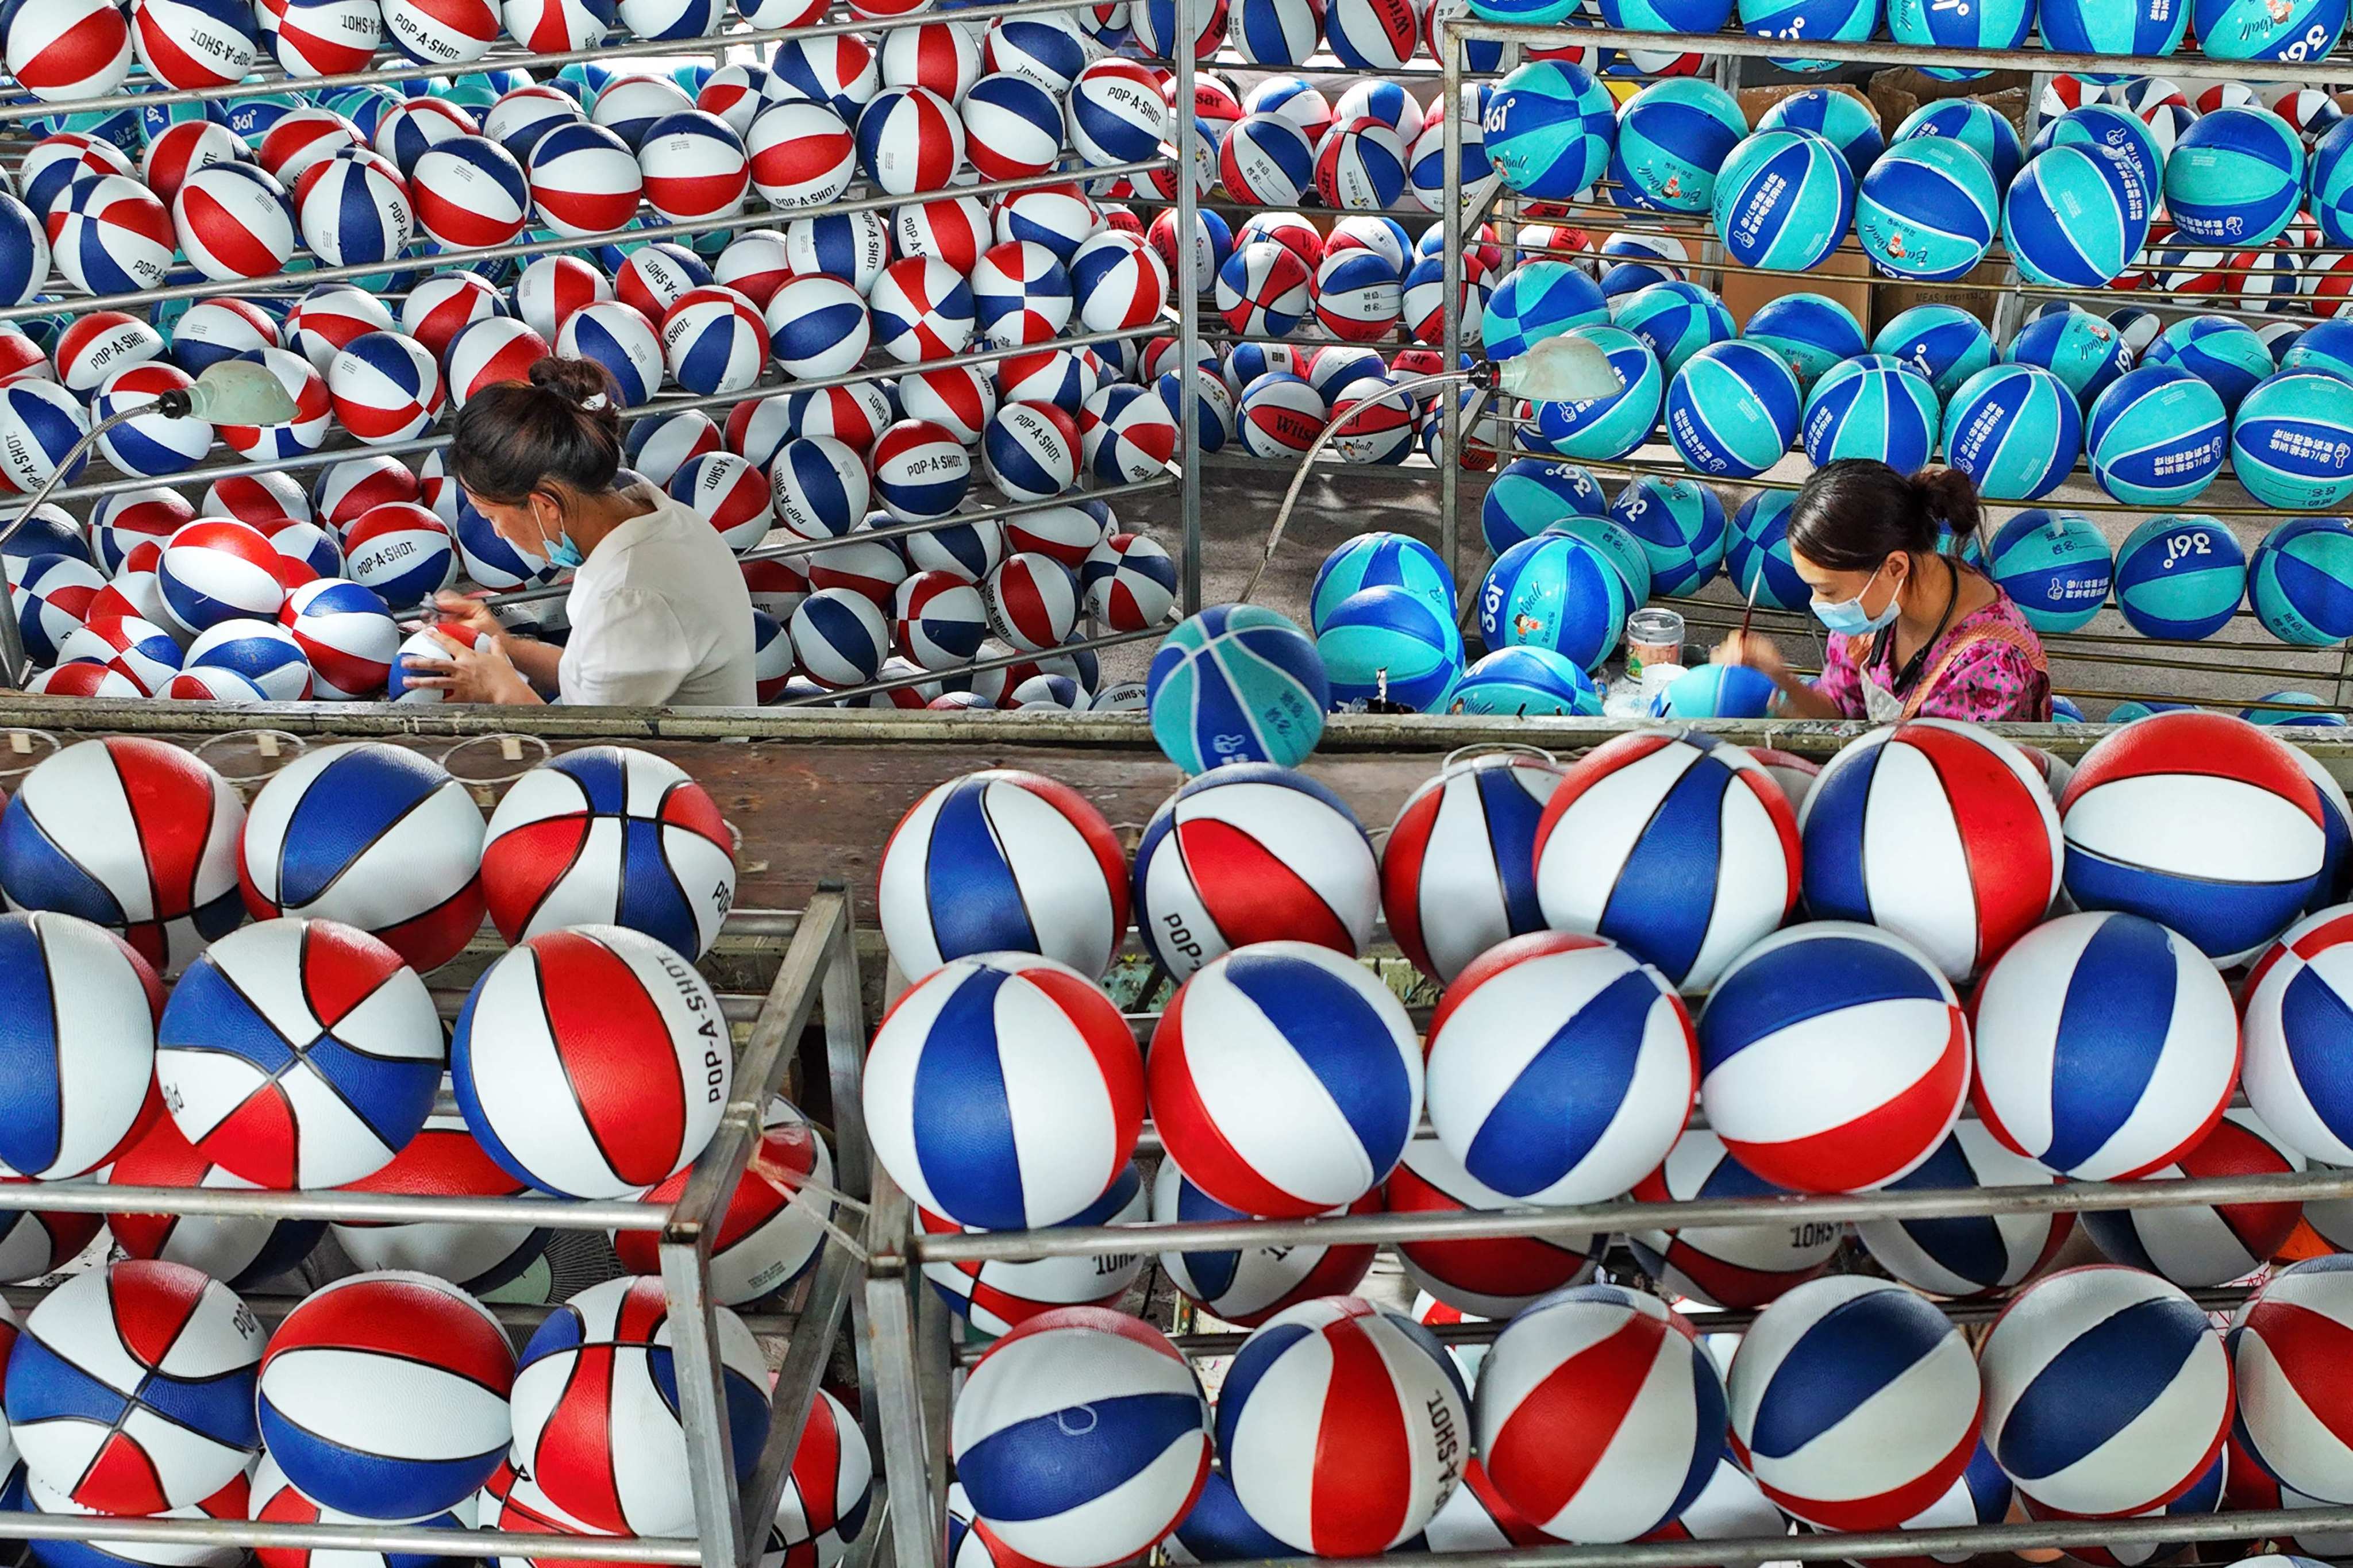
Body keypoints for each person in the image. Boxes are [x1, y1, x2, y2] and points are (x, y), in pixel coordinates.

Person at [398, 357, 757, 707]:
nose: (497, 533)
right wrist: (500, 643)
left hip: (691, 766)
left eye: (491, 516)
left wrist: (499, 690)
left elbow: (587, 752)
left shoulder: (630, 599)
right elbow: (592, 678)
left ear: (545, 507)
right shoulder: (656, 516)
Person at [1715, 459, 2052, 723]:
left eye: (1828, 591)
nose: (1821, 605)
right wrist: (1777, 675)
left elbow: (1947, 790)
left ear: (1894, 568)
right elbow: (1842, 710)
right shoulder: (1877, 610)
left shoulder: (1991, 667)